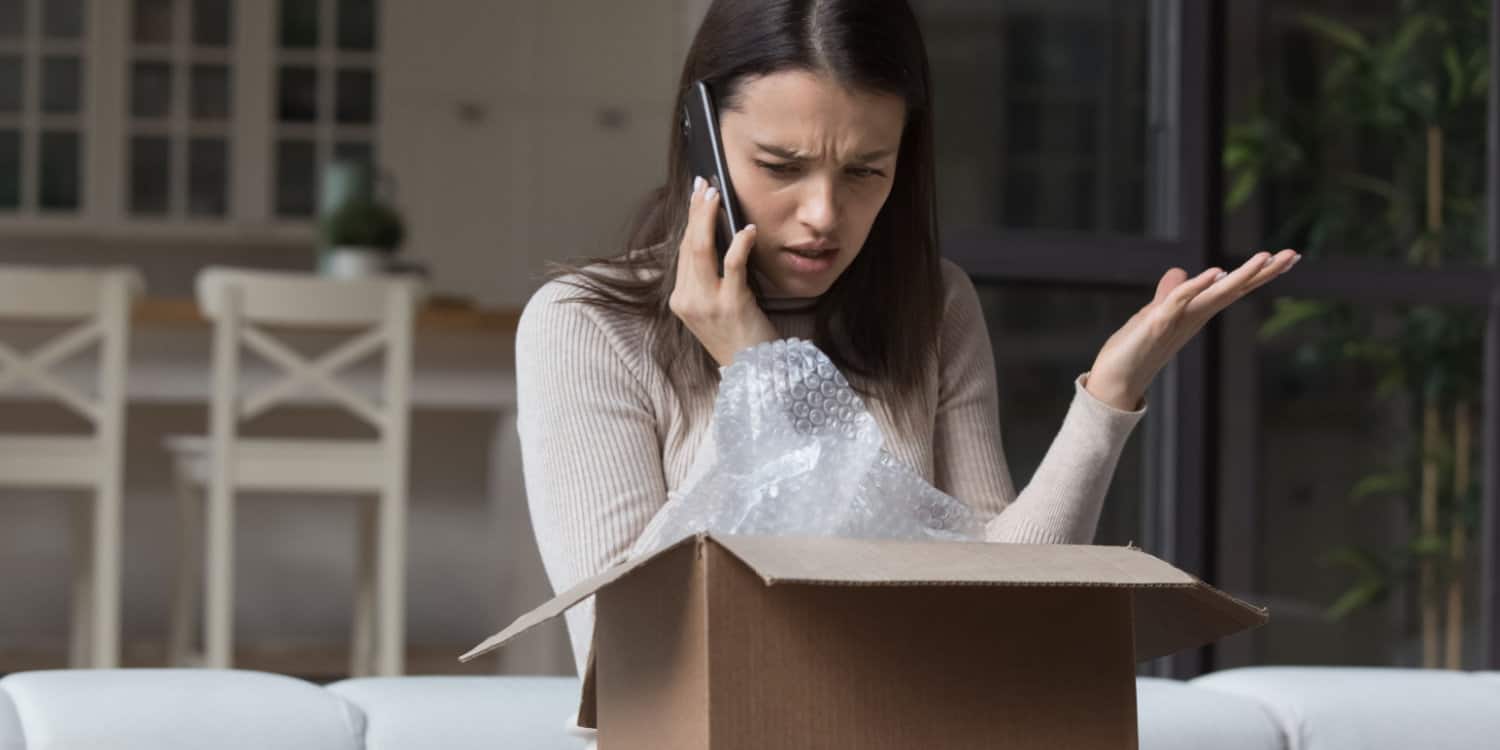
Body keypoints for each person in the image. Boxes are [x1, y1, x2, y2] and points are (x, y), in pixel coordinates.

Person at [513, 0, 1298, 737]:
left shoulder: (932, 306)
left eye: (865, 171)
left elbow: (1004, 600)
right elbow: (625, 651)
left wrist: (1108, 397)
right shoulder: (585, 326)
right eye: (781, 166)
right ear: (701, 141)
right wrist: (755, 370)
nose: (824, 215)